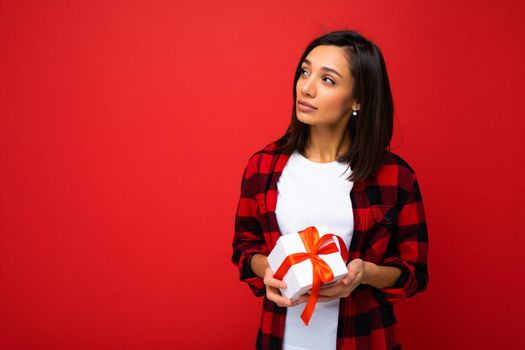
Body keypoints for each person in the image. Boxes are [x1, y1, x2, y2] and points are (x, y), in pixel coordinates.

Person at [231, 29, 429, 350]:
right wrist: (267, 268)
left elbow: (413, 274)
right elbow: (244, 246)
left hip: (364, 338)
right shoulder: (263, 167)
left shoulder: (395, 176)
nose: (306, 88)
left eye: (328, 80)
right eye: (305, 72)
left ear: (358, 100)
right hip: (279, 338)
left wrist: (364, 274)